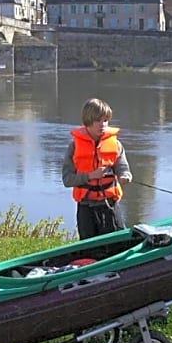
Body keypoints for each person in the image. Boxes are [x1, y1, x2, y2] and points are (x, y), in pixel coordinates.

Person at [61, 98, 132, 240]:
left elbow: (123, 168)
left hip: (110, 205)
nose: (102, 124)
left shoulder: (116, 145)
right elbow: (67, 180)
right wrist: (91, 175)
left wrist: (125, 176)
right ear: (88, 122)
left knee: (118, 243)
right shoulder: (74, 147)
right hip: (86, 208)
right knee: (89, 248)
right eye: (98, 120)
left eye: (105, 120)